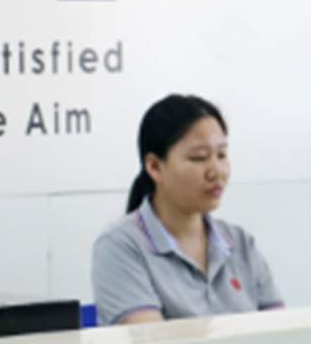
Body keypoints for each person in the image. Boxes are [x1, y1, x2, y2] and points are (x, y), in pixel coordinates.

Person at [91, 93, 284, 324]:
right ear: (154, 167)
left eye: (222, 155)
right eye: (199, 158)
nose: (217, 171)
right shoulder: (121, 247)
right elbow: (153, 342)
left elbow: (281, 334)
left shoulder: (241, 243)